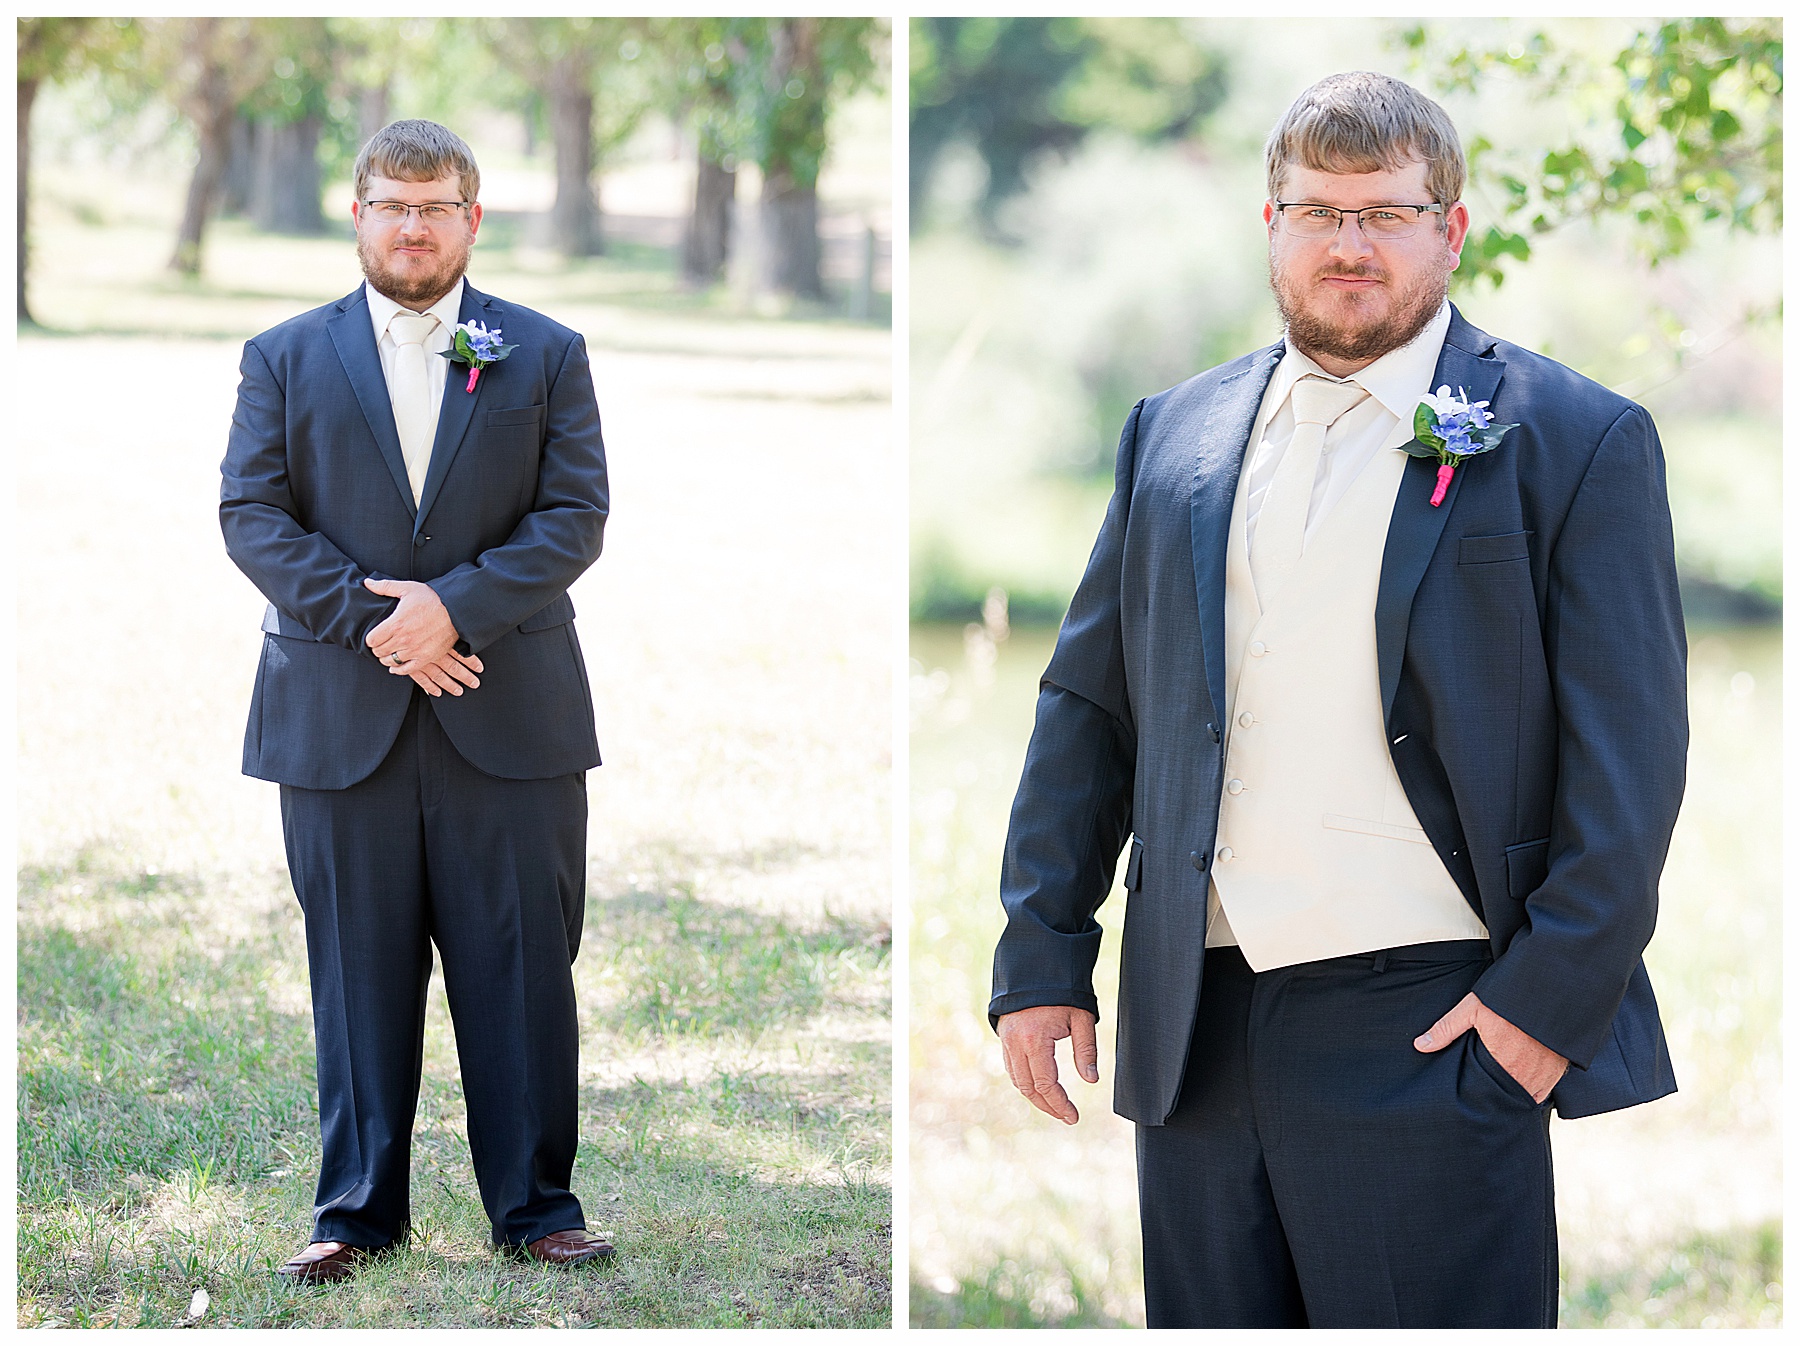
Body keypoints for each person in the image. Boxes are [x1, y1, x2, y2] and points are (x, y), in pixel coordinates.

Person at [989, 72, 1686, 1328]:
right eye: (1318, 212)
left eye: (1386, 212)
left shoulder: (1573, 438)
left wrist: (1537, 1013)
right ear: (1272, 226)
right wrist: (1043, 947)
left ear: (1451, 227)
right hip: (1196, 1021)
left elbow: (1630, 767)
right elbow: (1090, 706)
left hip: (1435, 1026)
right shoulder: (1174, 433)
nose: (1349, 244)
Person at [220, 119, 614, 1282]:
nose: (413, 226)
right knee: (355, 970)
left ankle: (539, 1208)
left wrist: (458, 608)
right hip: (339, 718)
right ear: (357, 213)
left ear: (472, 219)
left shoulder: (540, 351)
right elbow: (253, 514)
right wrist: (383, 620)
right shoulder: (283, 355)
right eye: (392, 204)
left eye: (436, 206)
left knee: (527, 969)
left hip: (512, 710)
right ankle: (354, 1211)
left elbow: (573, 515)